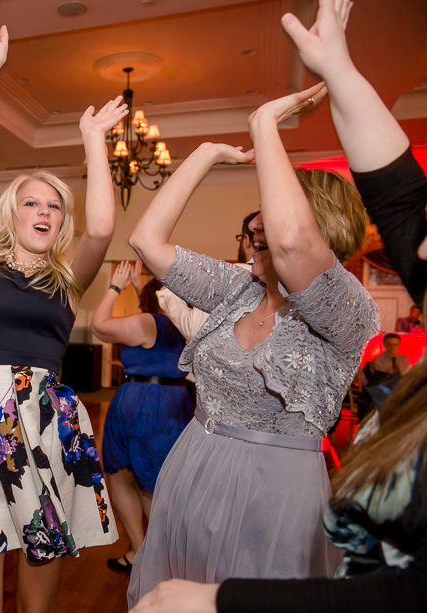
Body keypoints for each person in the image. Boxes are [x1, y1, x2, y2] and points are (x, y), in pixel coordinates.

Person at [132, 1, 427, 611]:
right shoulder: (237, 286)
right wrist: (209, 154)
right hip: (194, 465)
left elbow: (295, 247)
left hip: (274, 490)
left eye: (275, 205)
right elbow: (148, 243)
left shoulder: (348, 307)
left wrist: (265, 124)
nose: (262, 220)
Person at [0, 3, 125, 610]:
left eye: (55, 207)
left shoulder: (68, 281)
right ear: (12, 214)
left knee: (36, 607)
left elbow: (100, 225)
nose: (46, 213)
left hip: (46, 431)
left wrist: (94, 142)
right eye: (33, 203)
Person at [91, 260, 194, 573]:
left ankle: (144, 551)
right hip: (174, 403)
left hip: (143, 408)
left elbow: (99, 325)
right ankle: (154, 553)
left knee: (129, 477)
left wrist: (115, 286)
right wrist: (141, 286)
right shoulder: (182, 325)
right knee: (150, 479)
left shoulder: (148, 323)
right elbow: (157, 313)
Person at [156, 212, 257, 342]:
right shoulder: (282, 280)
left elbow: (195, 330)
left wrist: (168, 293)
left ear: (246, 240)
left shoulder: (232, 276)